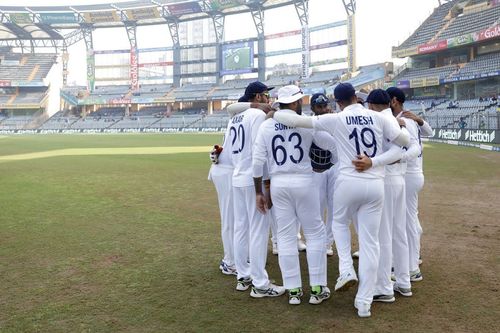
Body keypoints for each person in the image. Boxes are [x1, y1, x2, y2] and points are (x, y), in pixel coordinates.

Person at [270, 82, 409, 318]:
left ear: (337, 101)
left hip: (347, 180)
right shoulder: (378, 117)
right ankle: (364, 302)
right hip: (375, 183)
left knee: (338, 223)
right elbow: (403, 144)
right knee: (370, 243)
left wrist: (274, 111)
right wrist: (374, 161)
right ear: (356, 97)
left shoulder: (335, 119)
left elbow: (296, 121)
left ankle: (345, 268)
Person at [253, 85, 333, 305]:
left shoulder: (267, 126)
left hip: (279, 184)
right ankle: (317, 288)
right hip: (304, 181)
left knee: (286, 236)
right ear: (296, 102)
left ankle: (293, 291)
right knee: (315, 233)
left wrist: (259, 192)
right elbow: (329, 146)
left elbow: (257, 162)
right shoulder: (306, 123)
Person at [228, 81, 285, 298]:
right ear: (257, 97)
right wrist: (265, 186)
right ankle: (260, 284)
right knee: (258, 231)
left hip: (237, 176)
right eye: (265, 95)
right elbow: (261, 153)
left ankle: (243, 276)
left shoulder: (235, 117)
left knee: (241, 228)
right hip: (253, 179)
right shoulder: (258, 117)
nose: (268, 99)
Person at [364, 89, 419, 302]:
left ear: (371, 105)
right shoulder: (397, 120)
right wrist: (402, 158)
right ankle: (404, 282)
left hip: (384, 180)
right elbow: (414, 146)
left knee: (383, 235)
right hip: (399, 180)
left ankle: (384, 287)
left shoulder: (378, 120)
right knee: (399, 232)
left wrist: (392, 159)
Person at [387, 87, 433, 282]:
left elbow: (415, 147)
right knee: (409, 219)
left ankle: (412, 266)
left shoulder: (405, 120)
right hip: (413, 174)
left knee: (406, 221)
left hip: (409, 174)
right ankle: (410, 261)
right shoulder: (408, 119)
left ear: (394, 101)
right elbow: (427, 132)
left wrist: (400, 158)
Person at [309, 93, 338, 256]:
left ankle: (328, 243)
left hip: (335, 168)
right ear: (313, 108)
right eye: (319, 106)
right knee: (317, 205)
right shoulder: (310, 123)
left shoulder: (336, 120)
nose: (323, 109)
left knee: (334, 206)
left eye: (325, 106)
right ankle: (318, 241)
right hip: (316, 170)